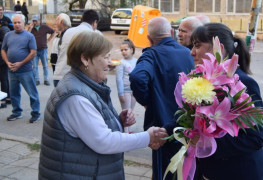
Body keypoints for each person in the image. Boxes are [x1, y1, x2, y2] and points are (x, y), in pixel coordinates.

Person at [38, 31, 167, 179]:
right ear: (85, 59)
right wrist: (147, 137)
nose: (110, 63)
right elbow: (103, 141)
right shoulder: (75, 97)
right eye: (105, 57)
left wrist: (118, 121)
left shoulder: (83, 85)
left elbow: (90, 127)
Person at [190, 23, 263, 180]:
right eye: (192, 46)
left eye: (197, 46)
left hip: (240, 171)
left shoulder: (243, 84)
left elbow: (255, 138)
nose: (192, 52)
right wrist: (166, 131)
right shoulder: (203, 80)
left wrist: (207, 143)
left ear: (219, 48)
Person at [129, 17, 195, 180]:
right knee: (186, 170)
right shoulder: (189, 53)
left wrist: (146, 101)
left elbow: (137, 77)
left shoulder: (151, 54)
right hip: (188, 123)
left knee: (164, 172)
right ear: (171, 32)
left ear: (149, 39)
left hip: (162, 126)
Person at [1, 14, 41, 123]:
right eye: (15, 23)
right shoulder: (8, 35)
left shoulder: (29, 36)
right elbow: (3, 50)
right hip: (11, 70)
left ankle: (36, 113)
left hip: (25, 71)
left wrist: (20, 63)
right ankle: (16, 112)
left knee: (32, 93)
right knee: (14, 94)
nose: (17, 24)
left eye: (19, 22)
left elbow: (33, 53)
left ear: (24, 23)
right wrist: (7, 62)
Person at [53, 9, 100, 87]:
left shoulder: (68, 31)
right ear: (95, 22)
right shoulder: (93, 34)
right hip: (76, 80)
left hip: (59, 75)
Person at [116, 39, 137, 133]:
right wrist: (120, 94)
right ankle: (125, 131)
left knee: (130, 110)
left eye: (125, 49)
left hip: (134, 91)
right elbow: (119, 79)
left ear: (132, 50)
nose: (123, 52)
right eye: (122, 50)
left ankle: (129, 129)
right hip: (125, 91)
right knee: (126, 112)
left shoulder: (137, 61)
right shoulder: (121, 63)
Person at [28, 14, 54, 86]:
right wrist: (30, 28)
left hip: (43, 49)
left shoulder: (44, 27)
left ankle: (46, 79)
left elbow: (53, 31)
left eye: (35, 21)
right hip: (34, 50)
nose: (34, 22)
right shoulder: (32, 28)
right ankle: (37, 80)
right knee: (35, 66)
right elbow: (27, 36)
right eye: (33, 21)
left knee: (45, 65)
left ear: (39, 20)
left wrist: (48, 40)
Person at [0, 22, 10, 108]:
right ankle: (8, 98)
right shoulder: (5, 29)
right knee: (5, 78)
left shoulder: (3, 29)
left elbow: (4, 45)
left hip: (2, 58)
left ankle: (3, 100)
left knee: (3, 79)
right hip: (3, 57)